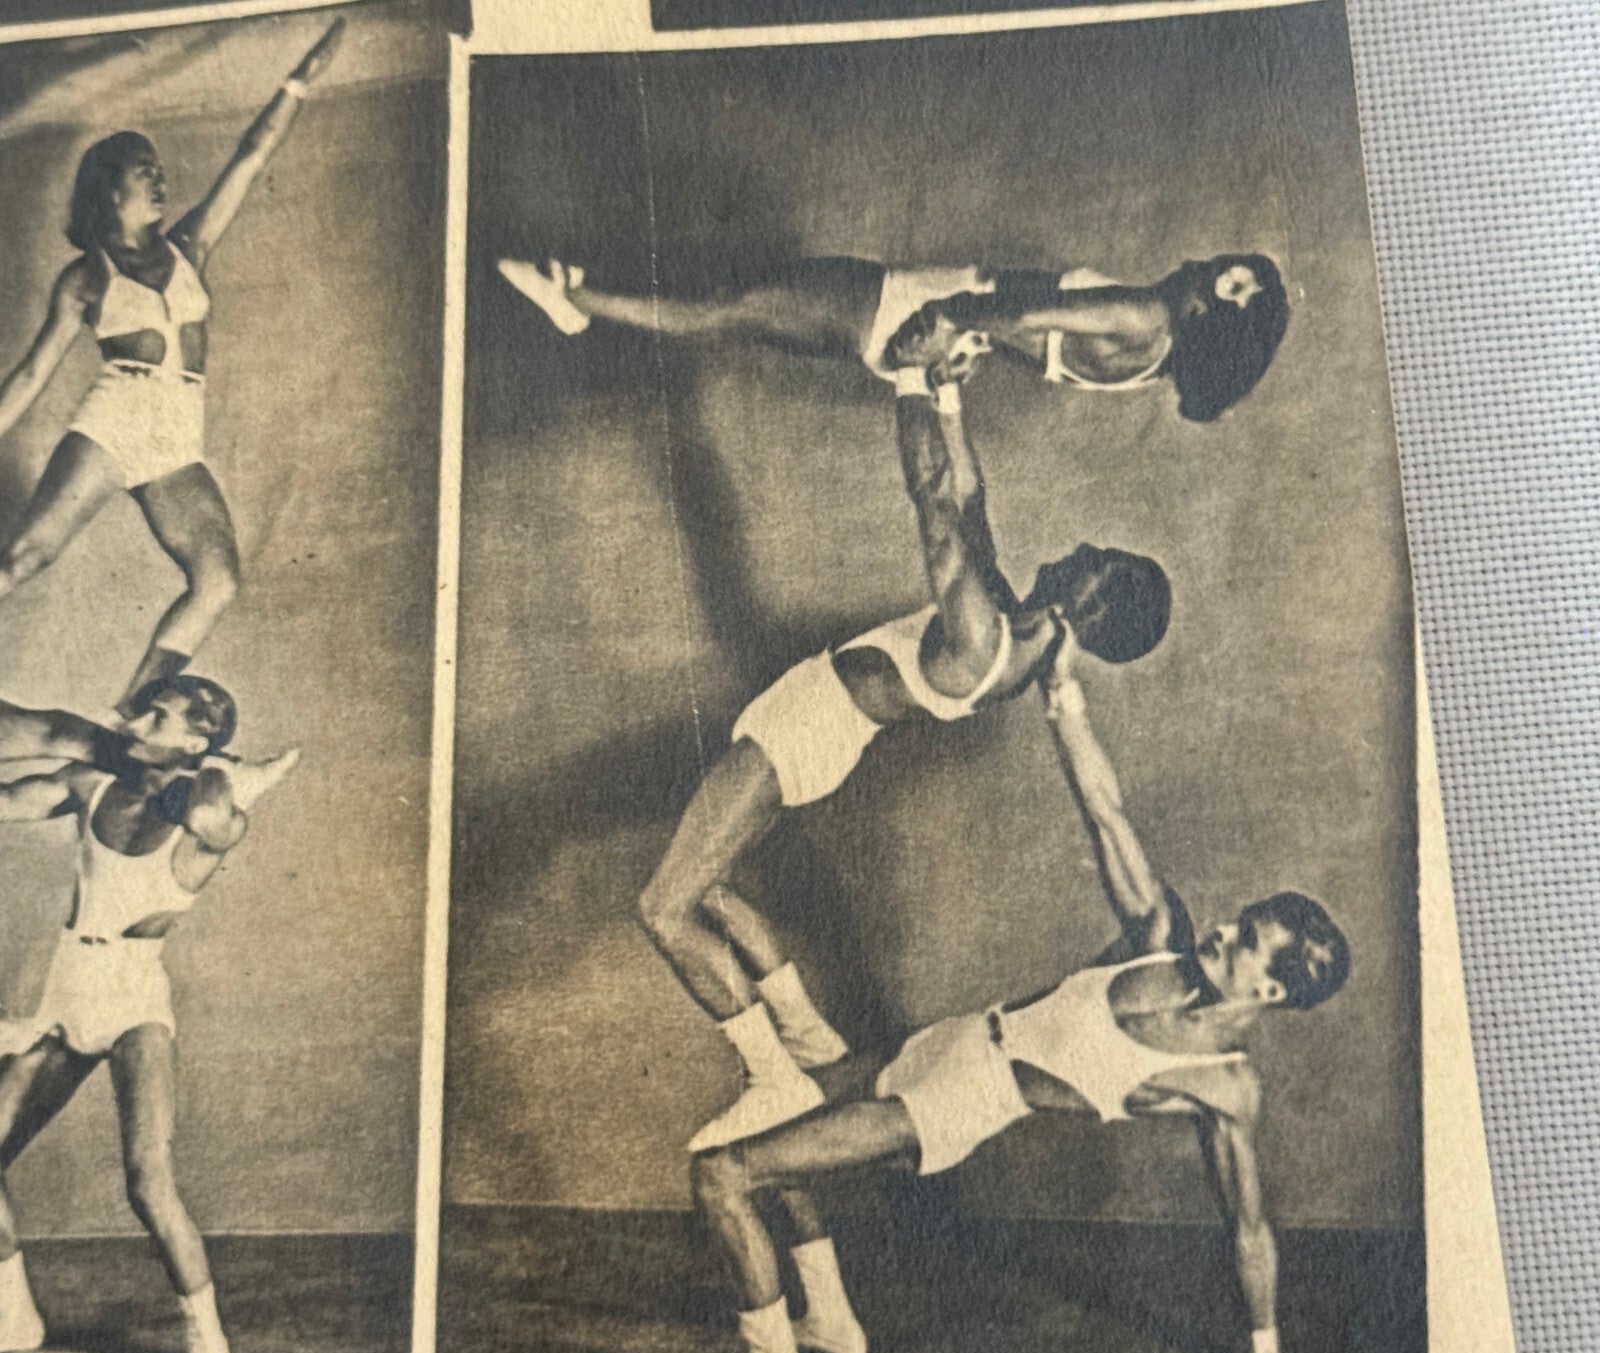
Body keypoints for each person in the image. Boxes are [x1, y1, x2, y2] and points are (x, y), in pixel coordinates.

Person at [672, 648, 1360, 1353]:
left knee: (724, 1173)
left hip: (952, 1106)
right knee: (784, 1111)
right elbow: (1103, 809)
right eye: (1240, 920)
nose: (1223, 930)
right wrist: (1061, 686)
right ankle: (830, 1321)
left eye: (1245, 942)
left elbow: (1249, 1227)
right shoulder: (1158, 936)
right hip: (941, 1044)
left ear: (1269, 992)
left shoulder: (1223, 1084)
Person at [639, 361, 1171, 1155]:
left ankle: (772, 1076)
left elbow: (935, 502)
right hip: (808, 724)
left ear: (1096, 595)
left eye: (1097, 556)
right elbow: (972, 502)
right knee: (711, 889)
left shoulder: (988, 638)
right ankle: (812, 1043)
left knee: (664, 907)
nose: (1082, 545)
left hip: (800, 738)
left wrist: (909, 378)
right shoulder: (1016, 633)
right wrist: (952, 397)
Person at [0, 19, 345, 717]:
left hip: (176, 444)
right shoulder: (86, 277)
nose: (160, 181)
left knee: (217, 582)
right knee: (23, 560)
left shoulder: (190, 243)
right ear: (110, 192)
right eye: (144, 172)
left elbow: (250, 157)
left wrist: (298, 81)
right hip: (113, 424)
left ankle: (130, 721)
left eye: (160, 171)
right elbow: (34, 376)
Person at [0, 675, 297, 1353]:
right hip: (65, 985)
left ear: (196, 741)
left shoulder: (205, 815)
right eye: (141, 708)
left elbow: (221, 822)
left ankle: (208, 1342)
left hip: (133, 997)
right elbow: (9, 803)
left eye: (156, 715)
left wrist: (227, 777)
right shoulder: (90, 782)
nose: (135, 717)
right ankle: (12, 1309)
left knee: (147, 1181)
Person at [498, 252, 1288, 422]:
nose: (1203, 264)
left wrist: (951, 321)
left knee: (732, 302)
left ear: (1205, 312)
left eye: (1218, 278)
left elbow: (1021, 316)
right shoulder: (1152, 363)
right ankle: (589, 298)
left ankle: (580, 299)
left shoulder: (1142, 314)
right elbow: (1033, 345)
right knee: (743, 319)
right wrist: (956, 349)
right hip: (925, 344)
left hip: (911, 308)